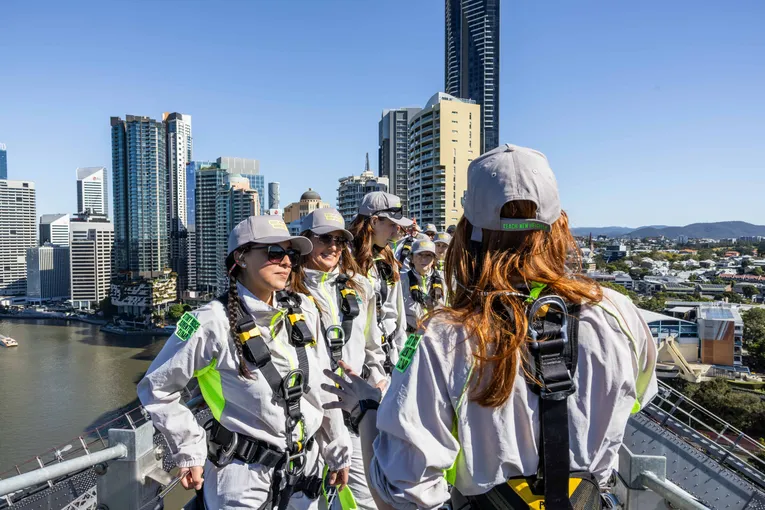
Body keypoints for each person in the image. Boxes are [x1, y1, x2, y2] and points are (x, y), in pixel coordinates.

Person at [321, 144, 658, 510]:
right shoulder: (619, 315)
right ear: (559, 225)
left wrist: (368, 413)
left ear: (470, 233)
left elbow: (403, 495)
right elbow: (635, 397)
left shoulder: (445, 339)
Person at [137, 216, 351, 510]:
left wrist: (337, 448)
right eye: (275, 253)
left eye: (290, 254)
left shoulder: (302, 312)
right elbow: (157, 388)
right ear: (241, 257)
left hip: (304, 476)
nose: (287, 262)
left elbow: (322, 388)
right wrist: (189, 449)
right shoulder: (209, 321)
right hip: (243, 481)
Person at [289, 207, 387, 510]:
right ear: (306, 241)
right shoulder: (288, 292)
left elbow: (372, 344)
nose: (332, 247)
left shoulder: (360, 286)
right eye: (323, 239)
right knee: (305, 500)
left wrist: (379, 378)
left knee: (366, 499)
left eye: (339, 240)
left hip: (351, 412)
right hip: (307, 415)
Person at [348, 191, 412, 371]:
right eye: (392, 224)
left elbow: (397, 315)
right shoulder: (344, 259)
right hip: (357, 359)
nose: (396, 231)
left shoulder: (387, 258)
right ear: (374, 222)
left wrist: (403, 361)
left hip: (387, 355)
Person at [401, 239, 445, 333]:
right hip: (410, 335)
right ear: (412, 258)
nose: (424, 259)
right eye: (419, 255)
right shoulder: (402, 280)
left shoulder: (444, 280)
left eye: (428, 255)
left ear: (434, 260)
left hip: (437, 335)